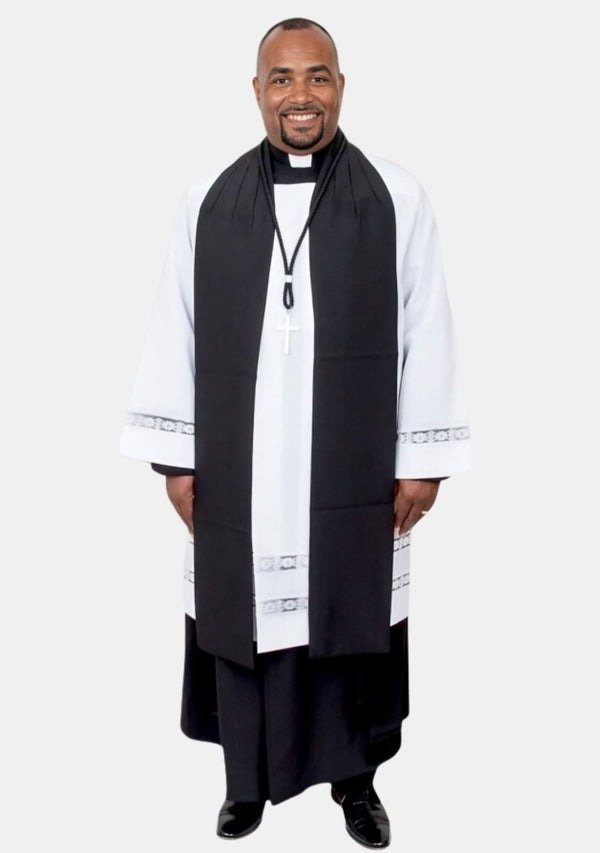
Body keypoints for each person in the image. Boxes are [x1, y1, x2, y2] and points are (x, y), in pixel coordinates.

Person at [119, 16, 472, 848]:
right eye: (282, 78)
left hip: (351, 470)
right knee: (243, 614)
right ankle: (245, 782)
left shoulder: (396, 197)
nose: (300, 95)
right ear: (257, 91)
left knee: (351, 616)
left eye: (317, 76)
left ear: (341, 87)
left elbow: (429, 326)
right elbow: (177, 325)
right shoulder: (210, 199)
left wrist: (421, 459)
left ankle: (356, 782)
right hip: (241, 467)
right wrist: (177, 459)